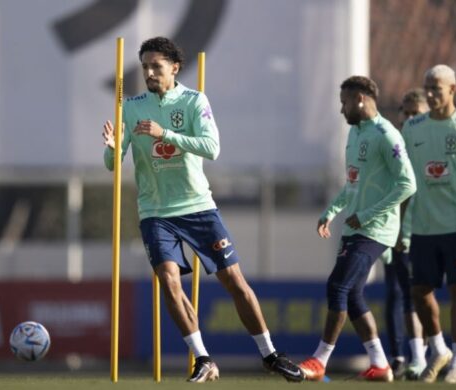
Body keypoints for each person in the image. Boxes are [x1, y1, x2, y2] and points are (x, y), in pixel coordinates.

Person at [102, 37, 304, 383]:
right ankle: (203, 358)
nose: (149, 72)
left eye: (156, 66)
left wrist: (166, 132)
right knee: (168, 280)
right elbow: (113, 164)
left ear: (174, 68)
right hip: (155, 211)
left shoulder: (195, 101)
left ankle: (270, 354)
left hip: (197, 206)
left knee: (234, 281)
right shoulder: (131, 106)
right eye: (145, 66)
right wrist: (111, 149)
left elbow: (212, 148)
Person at [298, 76, 416, 382]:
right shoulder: (354, 133)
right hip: (355, 227)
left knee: (337, 286)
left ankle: (319, 360)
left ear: (361, 99)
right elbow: (352, 185)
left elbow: (408, 184)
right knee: (352, 297)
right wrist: (331, 211)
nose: (341, 109)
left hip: (375, 229)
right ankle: (380, 364)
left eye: (345, 102)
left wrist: (365, 215)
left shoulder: (386, 134)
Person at [402, 64, 456, 384]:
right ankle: (438, 347)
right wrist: (401, 225)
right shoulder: (413, 128)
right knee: (419, 292)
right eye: (427, 87)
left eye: (436, 89)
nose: (430, 94)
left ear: (452, 90)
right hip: (424, 227)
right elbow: (404, 181)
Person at [383, 88, 429, 380]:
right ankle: (400, 356)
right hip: (392, 230)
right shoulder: (392, 142)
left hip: (423, 230)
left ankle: (423, 355)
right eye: (406, 112)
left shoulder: (429, 145)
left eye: (416, 113)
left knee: (419, 295)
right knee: (394, 294)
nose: (410, 117)